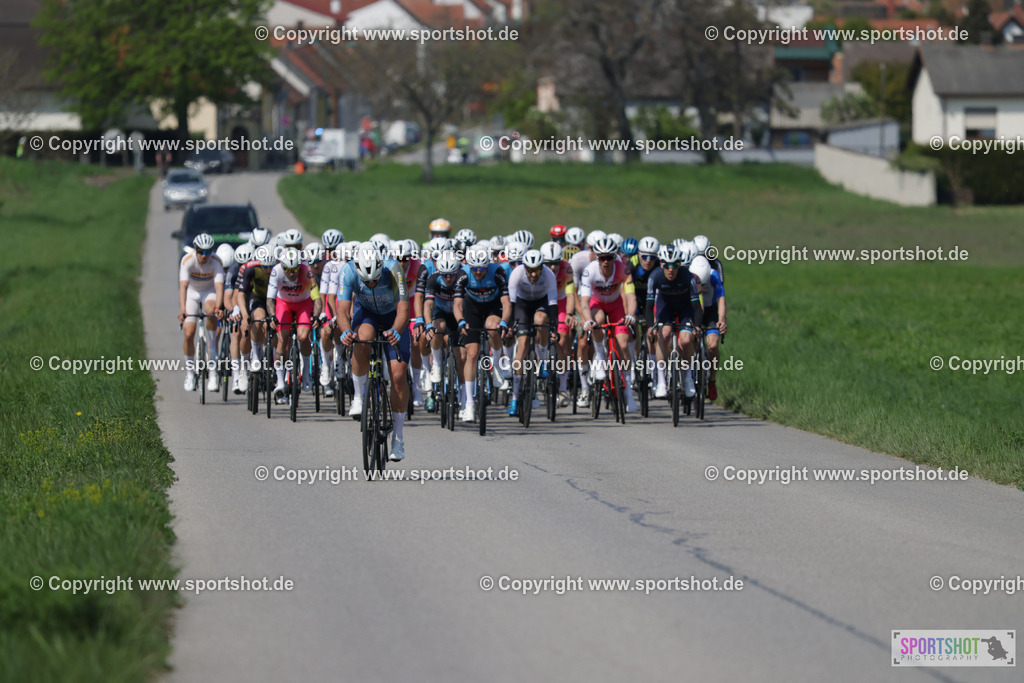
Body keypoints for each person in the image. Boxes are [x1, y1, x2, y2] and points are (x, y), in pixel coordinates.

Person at [337, 248, 411, 462]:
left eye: (375, 280)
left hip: (393, 316)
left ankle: (398, 437)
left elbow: (404, 309)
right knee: (362, 339)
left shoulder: (394, 268)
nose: (371, 284)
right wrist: (345, 332)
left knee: (398, 375)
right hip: (367, 313)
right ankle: (359, 398)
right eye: (366, 282)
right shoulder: (348, 269)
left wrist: (396, 330)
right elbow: (342, 310)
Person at [267, 247, 323, 398]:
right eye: (288, 270)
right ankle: (280, 381)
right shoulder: (276, 271)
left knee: (303, 336)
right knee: (282, 337)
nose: (292, 273)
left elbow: (317, 299)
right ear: (282, 267)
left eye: (295, 269)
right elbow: (270, 299)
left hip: (303, 303)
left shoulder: (307, 271)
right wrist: (272, 316)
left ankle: (305, 373)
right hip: (283, 303)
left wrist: (316, 316)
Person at [178, 233, 225, 392]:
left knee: (211, 310)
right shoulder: (187, 261)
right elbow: (183, 287)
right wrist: (183, 310)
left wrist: (219, 308)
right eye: (201, 252)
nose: (204, 256)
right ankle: (190, 374)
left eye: (208, 252)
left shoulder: (216, 261)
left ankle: (213, 371)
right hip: (192, 293)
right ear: (195, 249)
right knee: (189, 333)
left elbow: (219, 288)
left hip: (209, 292)